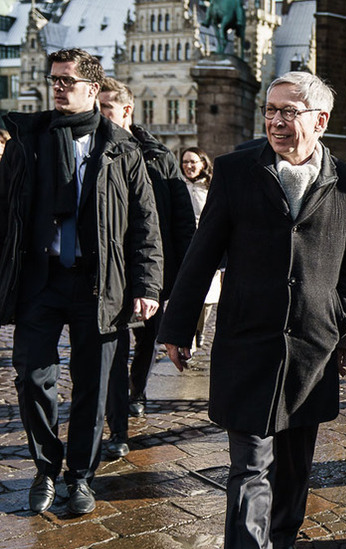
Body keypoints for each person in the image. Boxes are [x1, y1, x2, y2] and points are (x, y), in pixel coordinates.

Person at [157, 71, 346, 549]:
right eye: (271, 111)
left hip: (313, 350)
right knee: (249, 468)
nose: (277, 121)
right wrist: (177, 325)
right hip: (247, 345)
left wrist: (337, 321)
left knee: (297, 465)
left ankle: (283, 538)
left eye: (290, 111)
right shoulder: (234, 171)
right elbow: (203, 253)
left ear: (320, 120)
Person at [0, 49, 163, 515]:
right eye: (53, 79)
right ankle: (46, 468)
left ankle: (82, 475)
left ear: (93, 89)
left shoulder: (122, 148)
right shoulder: (27, 139)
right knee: (32, 377)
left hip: (100, 283)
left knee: (92, 385)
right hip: (40, 279)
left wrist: (148, 286)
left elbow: (144, 224)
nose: (56, 87)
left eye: (67, 81)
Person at [98, 78, 196, 458]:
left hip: (155, 267)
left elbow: (182, 219)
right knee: (113, 344)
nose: (99, 116)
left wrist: (185, 272)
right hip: (110, 270)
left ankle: (136, 390)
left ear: (126, 110)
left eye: (106, 108)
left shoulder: (158, 156)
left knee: (146, 340)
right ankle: (116, 420)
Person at [180, 146, 221, 349]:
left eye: (192, 162)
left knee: (208, 298)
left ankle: (199, 331)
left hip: (208, 248)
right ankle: (186, 336)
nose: (188, 166)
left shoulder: (212, 186)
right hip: (185, 249)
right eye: (185, 162)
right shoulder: (179, 186)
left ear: (203, 164)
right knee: (187, 295)